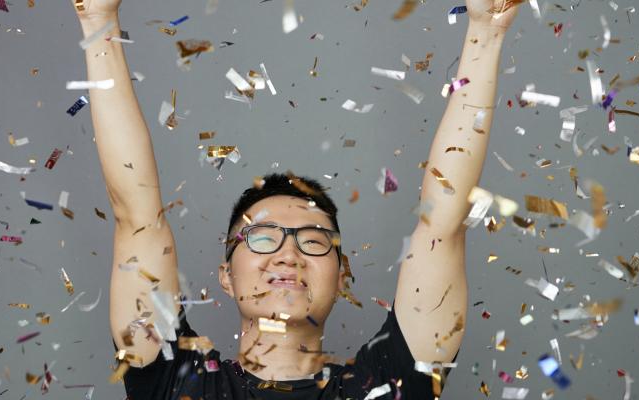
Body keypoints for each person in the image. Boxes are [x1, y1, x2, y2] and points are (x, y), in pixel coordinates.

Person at [71, 0, 519, 397]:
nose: (288, 255)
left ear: (342, 275)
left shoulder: (386, 384)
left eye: (313, 240)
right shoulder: (175, 381)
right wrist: (98, 18)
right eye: (263, 237)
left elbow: (444, 223)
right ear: (226, 275)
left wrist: (487, 30)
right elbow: (137, 216)